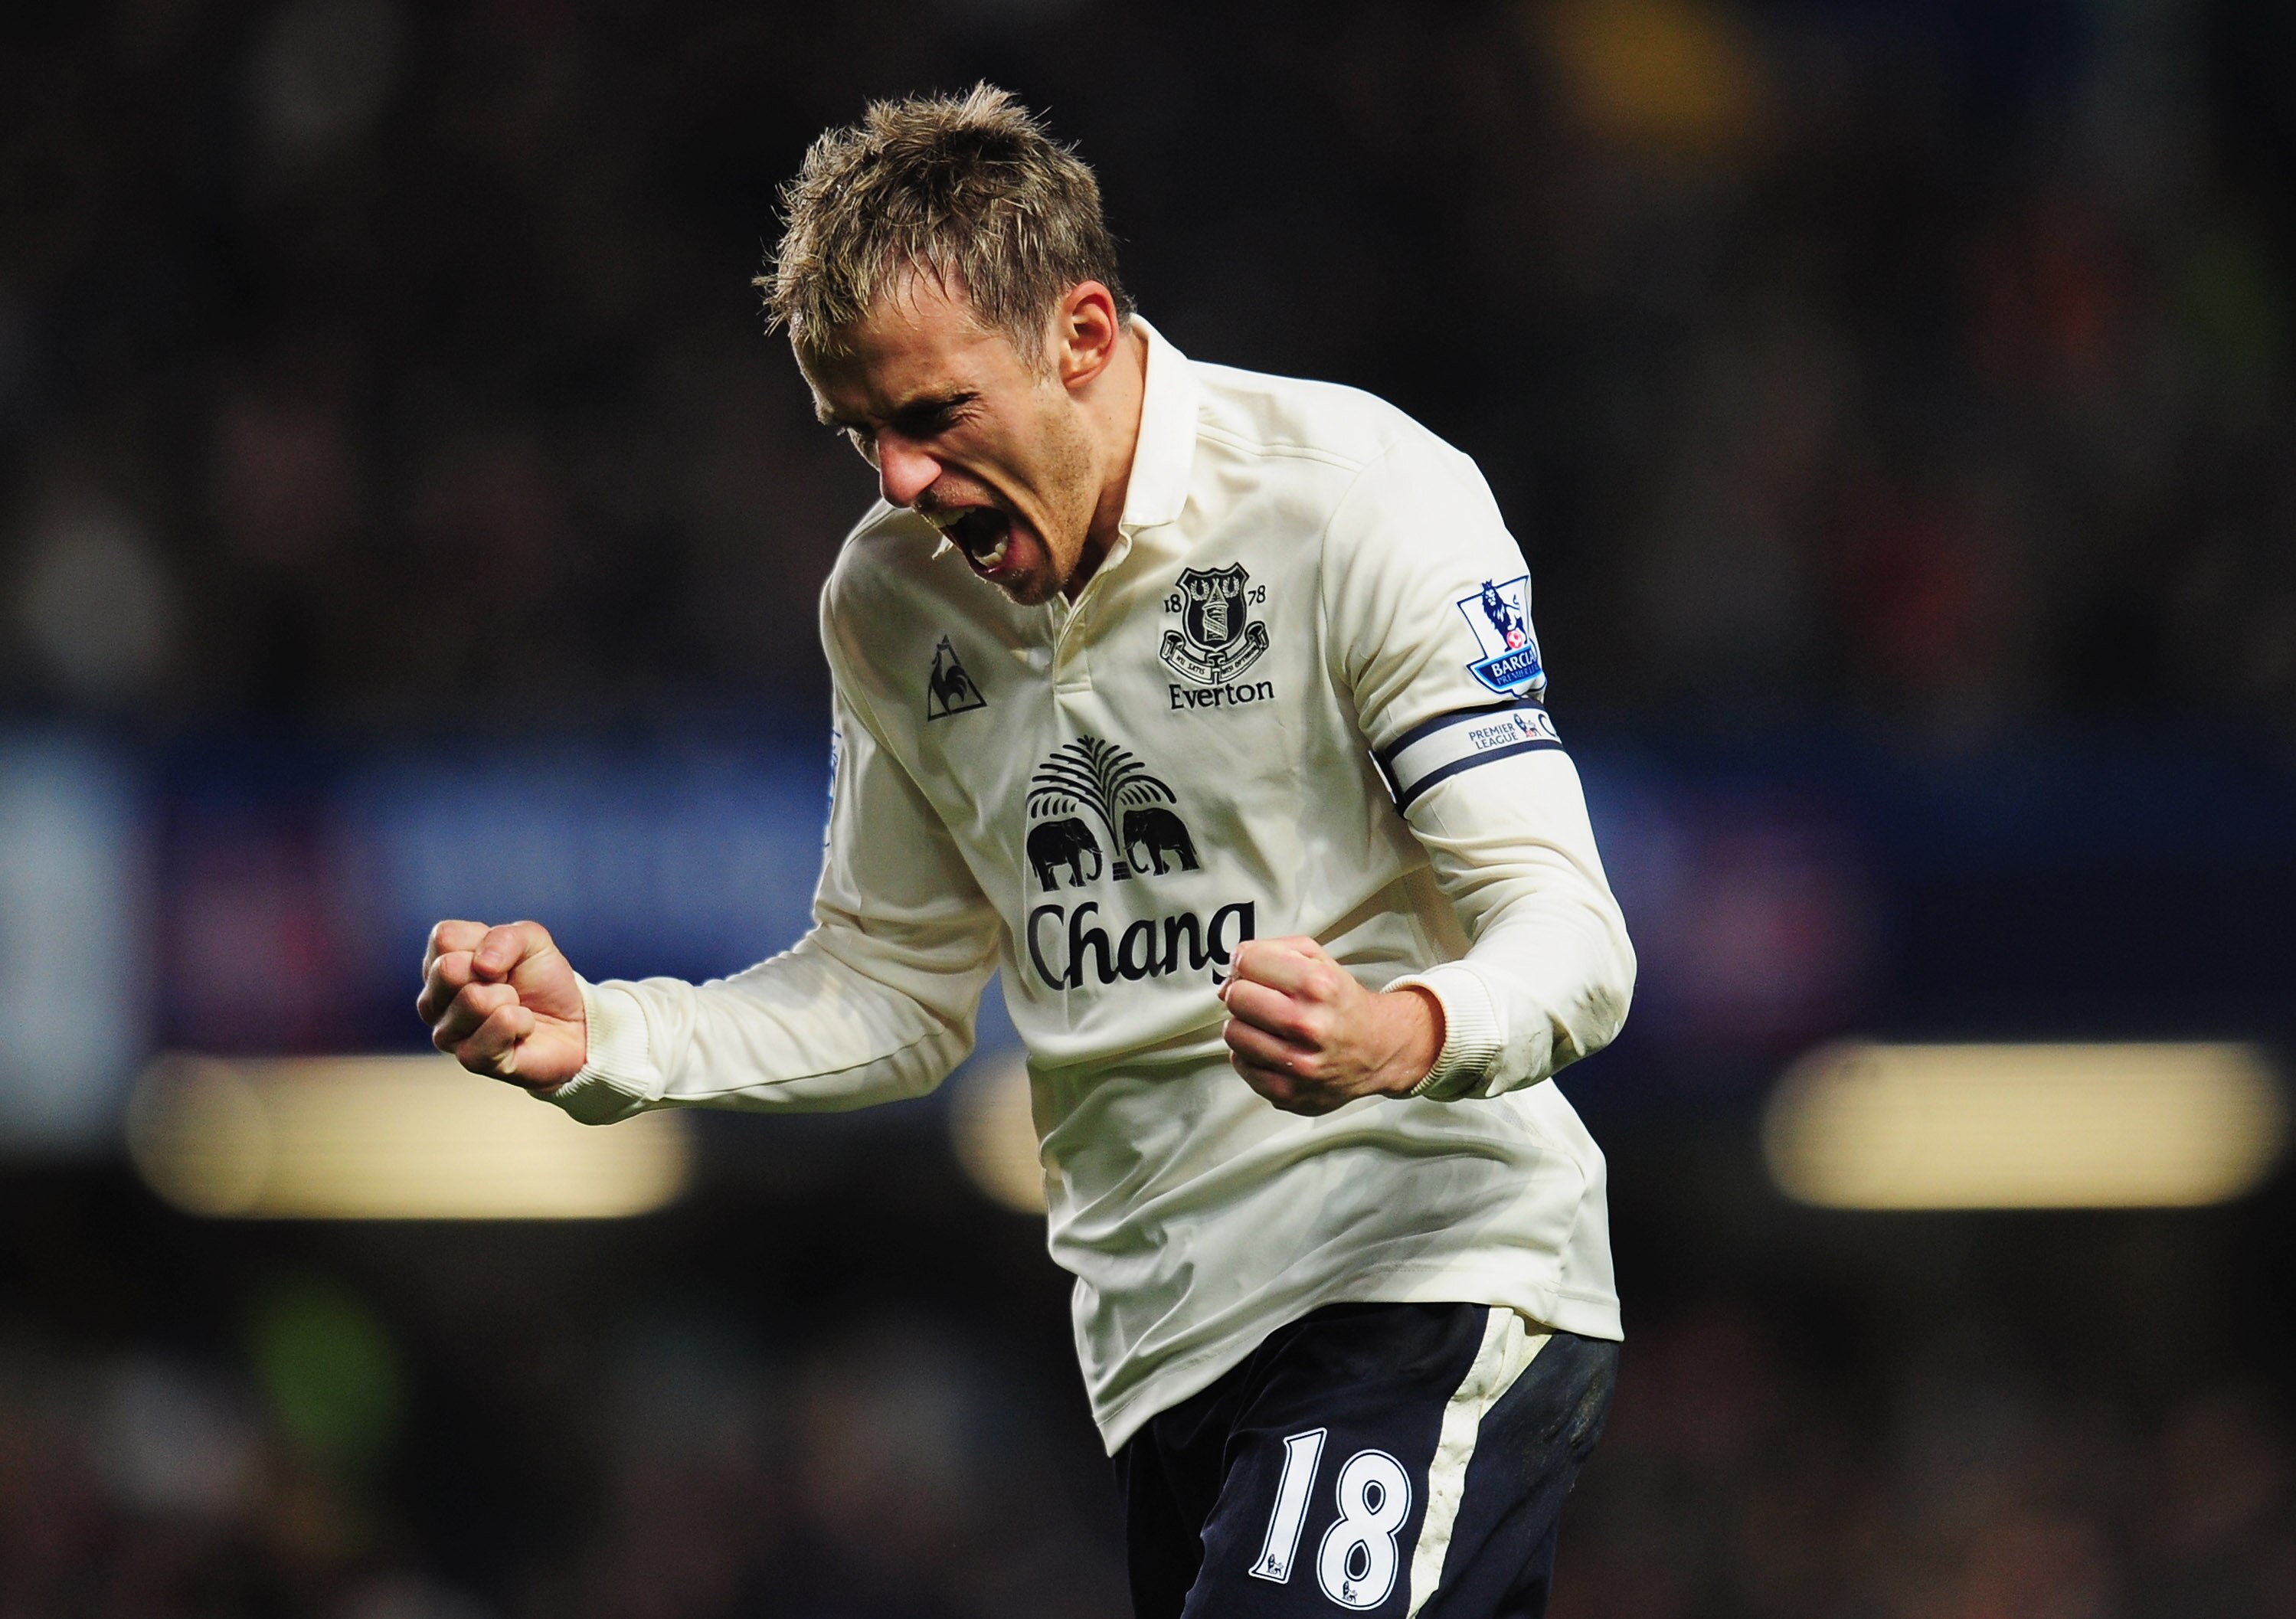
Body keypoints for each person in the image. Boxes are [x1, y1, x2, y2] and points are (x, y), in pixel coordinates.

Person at [417, 85, 1635, 1618]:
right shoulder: (888, 599)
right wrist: (611, 1034)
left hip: (1424, 1266)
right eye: (857, 432)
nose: (896, 484)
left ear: (1081, 331)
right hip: (1161, 1350)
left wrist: (1402, 1031)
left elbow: (1572, 936)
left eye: (932, 418)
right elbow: (890, 987)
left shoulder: (1355, 496)